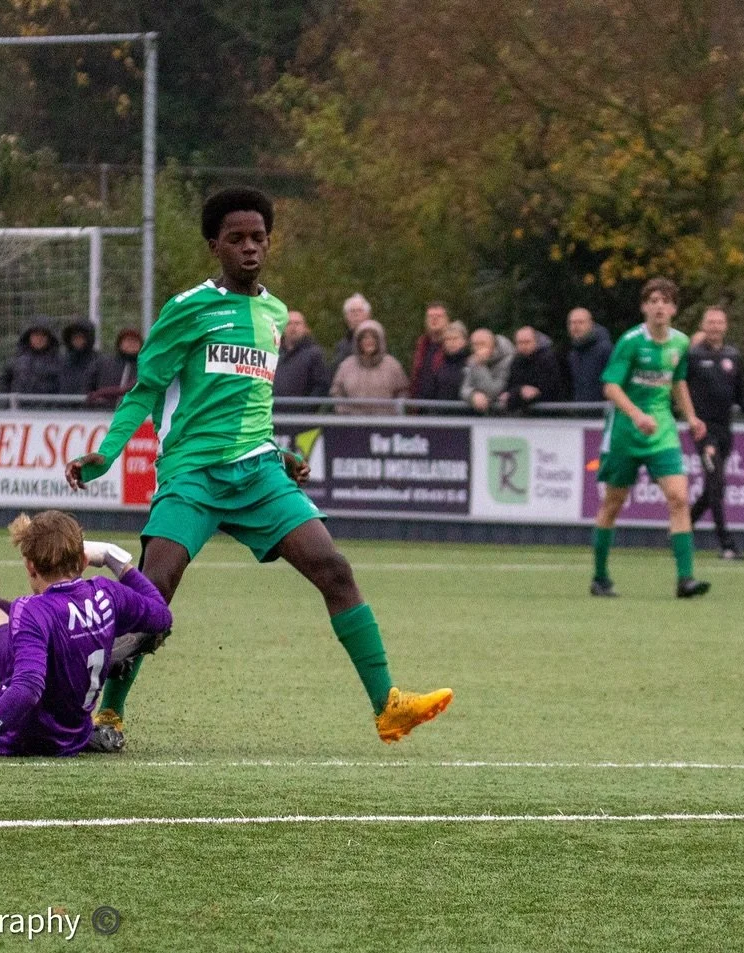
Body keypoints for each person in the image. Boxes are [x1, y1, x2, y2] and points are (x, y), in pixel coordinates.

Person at [64, 186, 453, 750]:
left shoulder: (273, 312)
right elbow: (145, 388)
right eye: (237, 239)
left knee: (334, 569)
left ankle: (387, 706)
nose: (250, 248)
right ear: (214, 245)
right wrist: (108, 452)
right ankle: (108, 715)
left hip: (257, 474)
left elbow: (248, 403)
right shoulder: (188, 309)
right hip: (193, 475)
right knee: (153, 593)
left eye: (259, 238)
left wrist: (278, 453)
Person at [0, 510, 173, 760]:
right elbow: (162, 616)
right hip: (73, 733)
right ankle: (78, 656)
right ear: (84, 559)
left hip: (18, 733)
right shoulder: (107, 593)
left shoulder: (33, 609)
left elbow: (28, 688)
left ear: (30, 566)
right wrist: (116, 559)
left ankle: (48, 667)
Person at [589, 277, 710, 599]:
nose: (659, 306)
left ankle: (685, 580)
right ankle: (600, 577)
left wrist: (691, 416)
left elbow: (677, 382)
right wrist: (636, 415)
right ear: (644, 307)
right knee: (613, 504)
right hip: (626, 433)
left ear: (673, 308)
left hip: (662, 432)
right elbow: (611, 387)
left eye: (665, 301)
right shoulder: (630, 342)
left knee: (679, 497)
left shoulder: (680, 343)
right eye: (653, 300)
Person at [686, 306, 744, 559]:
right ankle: (727, 545)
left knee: (715, 489)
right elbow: (678, 388)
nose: (714, 327)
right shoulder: (693, 356)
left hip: (725, 431)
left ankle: (682, 528)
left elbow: (741, 393)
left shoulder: (733, 356)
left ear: (725, 326)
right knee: (716, 483)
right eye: (710, 322)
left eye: (719, 322)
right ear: (703, 325)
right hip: (704, 431)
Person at [330, 318, 409, 414]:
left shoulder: (393, 365)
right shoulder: (346, 366)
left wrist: (394, 412)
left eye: (373, 337)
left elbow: (403, 391)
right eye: (365, 337)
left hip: (385, 423)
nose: (369, 341)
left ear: (380, 340)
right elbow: (336, 391)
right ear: (358, 341)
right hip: (353, 422)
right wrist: (344, 411)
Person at [498, 325, 565, 414]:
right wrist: (519, 392)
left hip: (549, 416)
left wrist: (515, 394)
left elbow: (545, 390)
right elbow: (512, 387)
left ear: (536, 342)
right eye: (520, 343)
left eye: (527, 342)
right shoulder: (516, 362)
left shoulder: (548, 359)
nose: (523, 346)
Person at [273, 309, 333, 409]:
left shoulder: (314, 354)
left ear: (305, 328)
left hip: (300, 418)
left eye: (297, 323)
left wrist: (307, 409)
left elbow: (322, 386)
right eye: (289, 323)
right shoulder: (273, 352)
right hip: (272, 416)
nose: (293, 327)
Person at [562, 307, 613, 403]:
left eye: (580, 322)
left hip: (602, 411)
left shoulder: (605, 350)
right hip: (581, 412)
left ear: (591, 324)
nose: (575, 326)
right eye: (572, 323)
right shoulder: (573, 354)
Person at [0, 321, 62, 396]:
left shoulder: (59, 362)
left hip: (50, 407)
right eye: (36, 335)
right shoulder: (16, 361)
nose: (39, 339)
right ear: (29, 337)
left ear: (49, 338)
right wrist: (6, 404)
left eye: (43, 335)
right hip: (19, 406)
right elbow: (4, 383)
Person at [460, 328, 514, 413]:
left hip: (506, 415)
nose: (478, 348)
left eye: (482, 343)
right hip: (482, 415)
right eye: (475, 344)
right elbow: (464, 388)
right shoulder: (474, 360)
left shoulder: (508, 360)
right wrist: (472, 394)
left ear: (493, 344)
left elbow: (493, 392)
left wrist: (480, 365)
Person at [87, 328, 143, 408]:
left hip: (134, 414)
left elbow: (133, 386)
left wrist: (102, 393)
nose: (131, 344)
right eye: (127, 340)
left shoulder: (145, 366)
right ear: (120, 343)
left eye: (135, 341)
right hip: (102, 414)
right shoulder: (103, 363)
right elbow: (89, 385)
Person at [420, 320, 470, 409]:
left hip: (468, 418)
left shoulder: (472, 364)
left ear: (465, 341)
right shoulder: (437, 364)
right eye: (448, 339)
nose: (451, 342)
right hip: (440, 418)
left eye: (455, 338)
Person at [408, 301, 450, 399]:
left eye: (438, 316)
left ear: (447, 320)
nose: (434, 319)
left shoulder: (454, 347)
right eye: (430, 316)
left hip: (445, 408)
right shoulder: (422, 345)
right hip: (421, 408)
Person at [59, 319, 105, 396]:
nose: (78, 340)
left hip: (89, 406)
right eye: (75, 337)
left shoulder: (99, 361)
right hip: (63, 405)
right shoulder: (62, 361)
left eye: (81, 337)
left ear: (89, 338)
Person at [332, 293, 373, 368]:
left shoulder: (377, 342)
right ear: (346, 317)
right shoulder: (341, 346)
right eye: (352, 311)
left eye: (360, 311)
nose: (356, 314)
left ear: (368, 315)